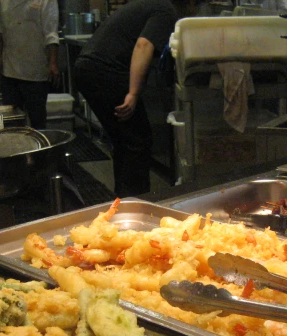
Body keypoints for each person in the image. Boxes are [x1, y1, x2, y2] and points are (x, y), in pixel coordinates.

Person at [74, 0, 197, 198]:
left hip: (88, 69)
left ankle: (123, 202)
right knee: (136, 143)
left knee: (124, 141)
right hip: (105, 72)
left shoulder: (151, 5)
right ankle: (136, 204)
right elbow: (143, 45)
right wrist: (133, 93)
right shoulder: (166, 10)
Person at [0, 0, 60, 129]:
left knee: (37, 121)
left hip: (35, 70)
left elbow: (51, 32)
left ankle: (39, 148)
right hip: (9, 69)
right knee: (11, 122)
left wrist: (53, 62)